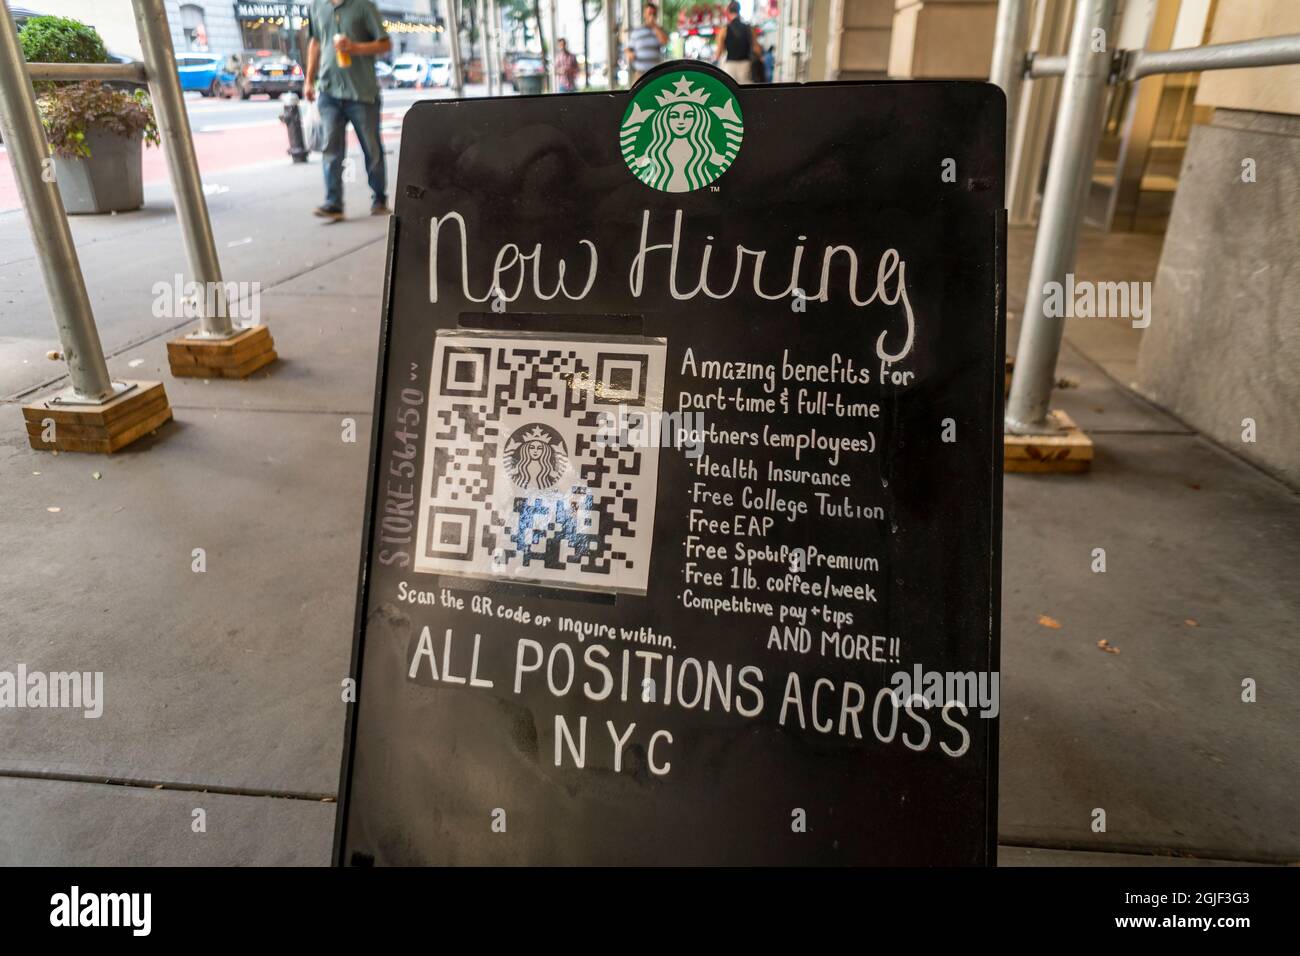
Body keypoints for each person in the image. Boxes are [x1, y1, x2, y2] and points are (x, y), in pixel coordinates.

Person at [303, 0, 392, 221]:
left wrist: (355, 48)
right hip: (328, 90)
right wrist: (308, 80)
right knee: (330, 148)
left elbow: (385, 44)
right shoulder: (317, 7)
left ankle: (379, 198)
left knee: (372, 149)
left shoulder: (363, 6)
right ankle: (333, 203)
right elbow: (315, 43)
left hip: (362, 93)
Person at [715, 0, 761, 85]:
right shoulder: (748, 28)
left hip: (730, 64)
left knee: (730, 89)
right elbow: (756, 48)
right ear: (739, 10)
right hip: (745, 64)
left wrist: (716, 60)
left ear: (728, 11)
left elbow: (719, 51)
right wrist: (761, 59)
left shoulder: (724, 29)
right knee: (745, 88)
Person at [627, 2, 668, 84]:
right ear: (644, 14)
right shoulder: (637, 31)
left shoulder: (659, 30)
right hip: (640, 73)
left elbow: (664, 41)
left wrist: (654, 27)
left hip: (655, 72)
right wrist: (629, 53)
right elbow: (629, 48)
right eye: (649, 13)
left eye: (653, 13)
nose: (651, 16)